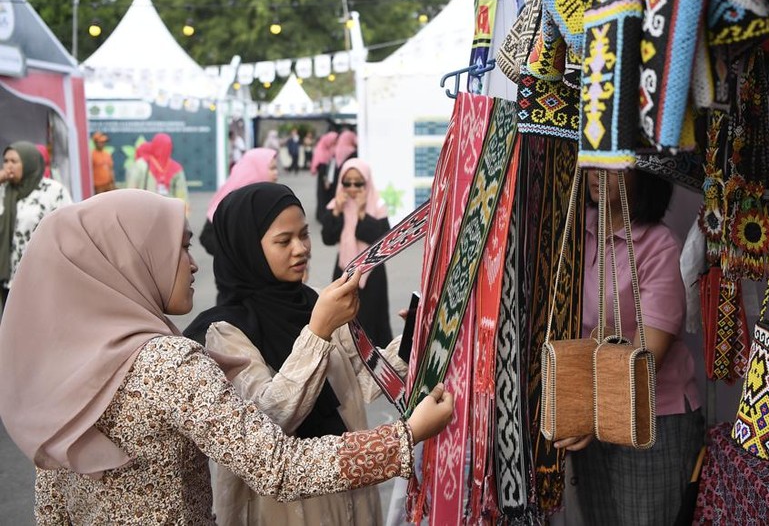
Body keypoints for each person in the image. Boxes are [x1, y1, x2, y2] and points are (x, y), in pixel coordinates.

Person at [0, 189, 454, 524]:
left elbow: (53, 509)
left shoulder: (66, 372)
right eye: (178, 247)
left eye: (304, 236)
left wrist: (412, 340)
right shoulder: (172, 360)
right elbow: (276, 461)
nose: (194, 262)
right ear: (129, 259)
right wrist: (404, 437)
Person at [184, 182, 412, 525]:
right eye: (283, 240)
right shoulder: (225, 333)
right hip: (279, 510)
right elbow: (265, 422)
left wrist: (414, 337)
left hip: (350, 490)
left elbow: (363, 381)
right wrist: (318, 332)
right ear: (247, 248)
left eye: (304, 234)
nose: (301, 248)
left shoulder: (317, 302)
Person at [555, 169, 704, 525]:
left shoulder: (658, 246)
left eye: (614, 164)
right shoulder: (577, 231)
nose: (597, 174)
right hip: (590, 417)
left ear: (644, 175)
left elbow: (645, 359)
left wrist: (590, 414)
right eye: (591, 160)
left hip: (652, 423)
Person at [320, 158, 393, 348]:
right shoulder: (337, 204)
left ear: (367, 182)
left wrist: (362, 213)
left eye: (358, 182)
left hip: (373, 271)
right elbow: (327, 238)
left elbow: (383, 241)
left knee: (373, 319)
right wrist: (336, 210)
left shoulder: (377, 205)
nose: (352, 188)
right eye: (347, 182)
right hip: (344, 270)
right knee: (344, 319)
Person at [0, 141, 72, 306]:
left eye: (14, 161)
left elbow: (68, 227)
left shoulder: (53, 191)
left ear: (29, 163)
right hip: (8, 278)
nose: (8, 166)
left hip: (41, 273)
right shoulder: (4, 190)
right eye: (6, 161)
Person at [200, 148, 279, 257]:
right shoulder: (234, 200)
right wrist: (239, 258)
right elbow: (207, 237)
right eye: (272, 168)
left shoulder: (267, 195)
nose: (276, 173)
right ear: (257, 169)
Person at [131, 133, 189, 208]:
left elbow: (182, 194)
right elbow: (182, 196)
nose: (163, 150)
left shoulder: (140, 164)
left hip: (149, 209)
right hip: (157, 210)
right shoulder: (142, 164)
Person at [310, 129, 339, 221]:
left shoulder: (329, 148)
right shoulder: (321, 149)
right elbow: (320, 165)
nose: (334, 142)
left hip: (327, 175)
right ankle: (321, 216)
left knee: (326, 196)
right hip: (323, 176)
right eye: (333, 140)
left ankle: (324, 214)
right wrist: (325, 178)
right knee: (322, 196)